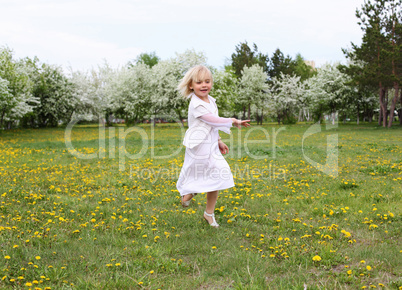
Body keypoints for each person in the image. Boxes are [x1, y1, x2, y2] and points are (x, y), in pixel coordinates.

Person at [176, 65, 250, 228]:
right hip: (198, 146)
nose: (204, 85)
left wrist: (218, 140)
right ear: (191, 85)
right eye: (199, 82)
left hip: (211, 145)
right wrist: (232, 120)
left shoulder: (211, 101)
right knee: (195, 171)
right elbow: (212, 120)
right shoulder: (196, 104)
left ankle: (209, 213)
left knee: (218, 174)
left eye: (207, 81)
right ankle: (189, 191)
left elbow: (211, 126)